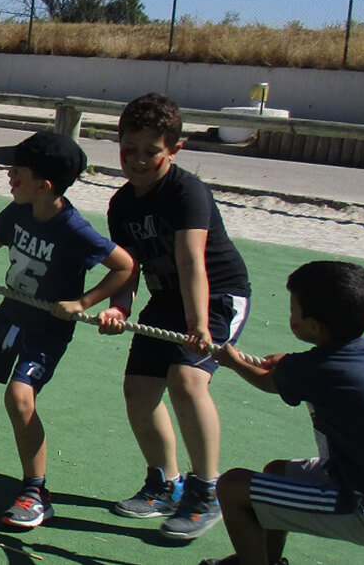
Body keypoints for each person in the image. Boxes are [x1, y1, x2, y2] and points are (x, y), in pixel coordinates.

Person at [0, 131, 137, 529]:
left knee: (19, 398)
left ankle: (36, 491)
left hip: (47, 329)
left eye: (16, 172)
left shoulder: (74, 229)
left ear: (43, 185)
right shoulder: (17, 211)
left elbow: (125, 267)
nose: (9, 178)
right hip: (10, 314)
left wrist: (85, 303)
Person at [201, 261, 364, 565]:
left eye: (294, 309)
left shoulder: (313, 369)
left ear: (314, 326)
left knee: (233, 487)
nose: (291, 316)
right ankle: (264, 558)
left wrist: (232, 361)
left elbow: (268, 382)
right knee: (276, 472)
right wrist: (292, 361)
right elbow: (317, 367)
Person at [97, 92, 253, 541]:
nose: (138, 161)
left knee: (186, 381)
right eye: (130, 149)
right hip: (166, 301)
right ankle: (164, 483)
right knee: (138, 391)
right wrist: (120, 307)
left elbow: (191, 264)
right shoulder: (121, 204)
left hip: (216, 297)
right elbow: (128, 266)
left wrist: (199, 324)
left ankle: (207, 493)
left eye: (152, 152)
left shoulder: (187, 192)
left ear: (175, 150)